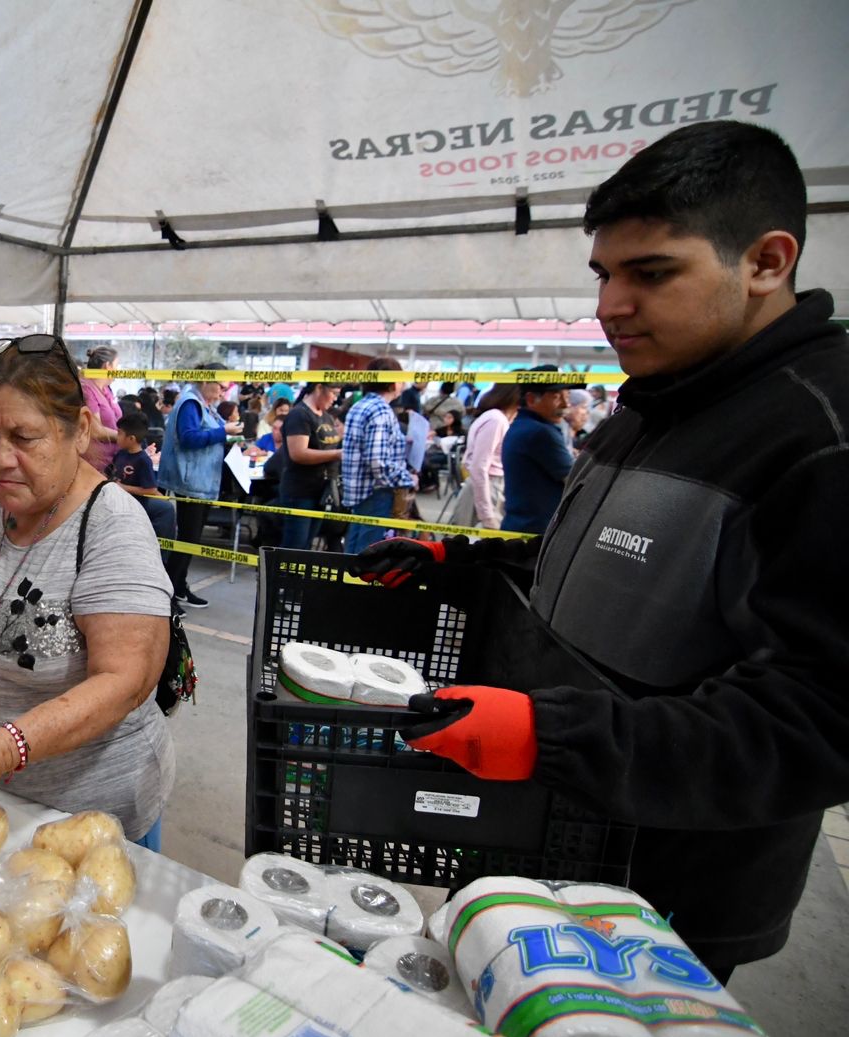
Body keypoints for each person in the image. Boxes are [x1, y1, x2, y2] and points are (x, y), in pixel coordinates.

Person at [352, 119, 849, 984]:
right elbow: (588, 570)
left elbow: (818, 719)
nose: (610, 304)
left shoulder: (819, 434)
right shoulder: (650, 408)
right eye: (605, 273)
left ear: (767, 262)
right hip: (544, 834)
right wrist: (461, 568)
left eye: (651, 274)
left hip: (665, 896)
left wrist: (554, 737)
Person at [0, 335, 174, 850]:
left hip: (87, 811)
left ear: (78, 431)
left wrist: (7, 745)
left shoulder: (111, 529)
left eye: (24, 437)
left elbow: (125, 682)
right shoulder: (2, 503)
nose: (1, 459)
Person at [157, 363, 242, 609]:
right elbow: (189, 437)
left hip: (201, 482)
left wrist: (229, 435)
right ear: (206, 381)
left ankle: (181, 586)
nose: (223, 392)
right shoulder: (190, 403)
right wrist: (224, 432)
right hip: (189, 481)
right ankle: (169, 593)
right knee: (185, 539)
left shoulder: (204, 405)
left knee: (192, 540)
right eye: (220, 385)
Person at [340, 358, 415, 553]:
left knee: (353, 547)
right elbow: (377, 462)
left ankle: (346, 583)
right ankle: (357, 584)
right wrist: (406, 478)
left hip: (358, 489)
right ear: (392, 382)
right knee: (367, 553)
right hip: (376, 491)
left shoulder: (360, 405)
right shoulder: (381, 411)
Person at [499, 367, 574, 533]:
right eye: (556, 396)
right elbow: (575, 480)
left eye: (567, 395)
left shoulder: (523, 426)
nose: (565, 403)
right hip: (536, 531)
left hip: (521, 525)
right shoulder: (541, 433)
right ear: (532, 399)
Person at [277, 382, 343, 550]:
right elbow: (298, 453)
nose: (335, 399)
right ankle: (281, 576)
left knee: (306, 547)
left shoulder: (326, 416)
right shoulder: (300, 415)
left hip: (321, 491)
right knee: (295, 546)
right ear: (319, 388)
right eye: (333, 393)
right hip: (300, 491)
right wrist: (336, 454)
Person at [450, 382, 518, 529]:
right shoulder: (496, 420)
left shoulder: (494, 418)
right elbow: (479, 467)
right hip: (486, 488)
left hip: (484, 487)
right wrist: (486, 514)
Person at [109, 411, 177, 541]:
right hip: (119, 502)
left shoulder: (143, 460)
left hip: (136, 505)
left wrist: (123, 487)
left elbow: (150, 489)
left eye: (119, 434)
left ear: (131, 439)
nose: (116, 437)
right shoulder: (120, 454)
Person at [79, 345, 122, 472]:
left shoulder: (106, 390)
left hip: (112, 462)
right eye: (117, 366)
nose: (119, 371)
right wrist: (126, 437)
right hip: (94, 465)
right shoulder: (86, 389)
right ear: (108, 366)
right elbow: (95, 430)